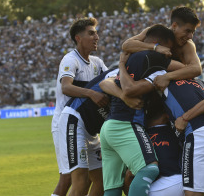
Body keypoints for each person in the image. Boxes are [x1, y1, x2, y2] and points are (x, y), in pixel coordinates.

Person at [99, 24, 186, 196]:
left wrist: (121, 66)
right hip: (126, 124)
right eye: (168, 49)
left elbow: (104, 83)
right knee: (149, 169)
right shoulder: (154, 58)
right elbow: (185, 69)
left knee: (113, 186)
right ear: (158, 44)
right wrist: (166, 73)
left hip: (108, 128)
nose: (169, 52)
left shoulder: (129, 59)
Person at [57, 68, 142, 196]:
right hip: (76, 119)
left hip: (94, 132)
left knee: (103, 180)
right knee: (81, 182)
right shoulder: (120, 73)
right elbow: (105, 84)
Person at [51, 17, 109, 196]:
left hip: (89, 128)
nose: (96, 37)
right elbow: (66, 87)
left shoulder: (97, 63)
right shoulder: (70, 59)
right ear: (78, 38)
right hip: (66, 125)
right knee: (70, 179)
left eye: (96, 33)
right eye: (91, 33)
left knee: (101, 179)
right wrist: (92, 93)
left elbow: (112, 82)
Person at [158, 79, 204, 196]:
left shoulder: (165, 82)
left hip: (199, 135)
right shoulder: (198, 83)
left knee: (193, 193)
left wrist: (184, 118)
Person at [122, 6, 202, 91]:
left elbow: (196, 69)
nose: (190, 36)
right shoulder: (156, 32)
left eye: (193, 32)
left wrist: (167, 77)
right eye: (187, 31)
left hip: (170, 90)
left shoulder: (187, 45)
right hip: (143, 84)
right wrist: (155, 47)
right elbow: (126, 45)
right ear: (174, 26)